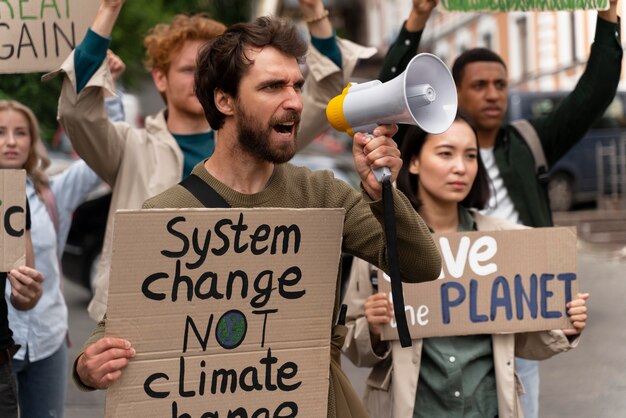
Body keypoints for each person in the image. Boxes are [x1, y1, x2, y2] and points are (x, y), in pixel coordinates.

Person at [71, 16, 443, 418]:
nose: (295, 102)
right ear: (224, 101)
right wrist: (86, 368)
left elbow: (422, 265)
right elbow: (111, 333)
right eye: (272, 87)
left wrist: (381, 193)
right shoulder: (165, 215)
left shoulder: (323, 196)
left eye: (297, 86)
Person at [47, 0, 377, 323]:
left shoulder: (253, 138)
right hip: (152, 314)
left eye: (208, 69)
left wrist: (313, 10)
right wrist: (108, 10)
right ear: (160, 79)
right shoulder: (129, 147)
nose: (199, 78)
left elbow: (325, 93)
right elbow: (77, 111)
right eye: (188, 69)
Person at [379, 1, 621, 416]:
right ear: (453, 92)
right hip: (439, 314)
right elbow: (385, 101)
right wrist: (417, 18)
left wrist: (609, 16)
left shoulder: (530, 143)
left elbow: (592, 95)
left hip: (513, 310)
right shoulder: (419, 142)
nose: (493, 94)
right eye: (479, 85)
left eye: (500, 84)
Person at [342, 114, 589, 418]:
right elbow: (353, 347)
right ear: (414, 162)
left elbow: (523, 342)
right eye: (446, 153)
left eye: (470, 156)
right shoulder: (379, 239)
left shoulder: (507, 240)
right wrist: (374, 328)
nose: (460, 167)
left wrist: (563, 328)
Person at [0, 96, 125, 418]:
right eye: (1, 132)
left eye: (21, 132)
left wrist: (108, 91)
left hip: (48, 337)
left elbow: (105, 151)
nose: (11, 141)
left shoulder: (51, 192)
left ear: (32, 140)